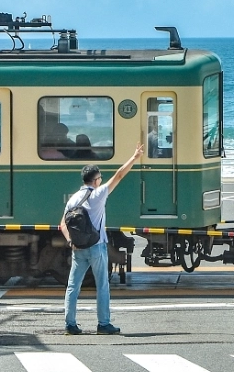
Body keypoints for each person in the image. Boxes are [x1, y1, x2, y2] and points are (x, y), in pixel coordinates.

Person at [59, 142, 143, 336]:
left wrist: (71, 242)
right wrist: (134, 157)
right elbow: (120, 175)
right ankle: (103, 324)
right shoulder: (98, 195)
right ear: (95, 180)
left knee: (73, 286)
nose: (101, 180)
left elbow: (62, 225)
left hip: (78, 248)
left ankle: (70, 324)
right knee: (102, 285)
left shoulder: (72, 199)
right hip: (96, 247)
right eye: (100, 178)